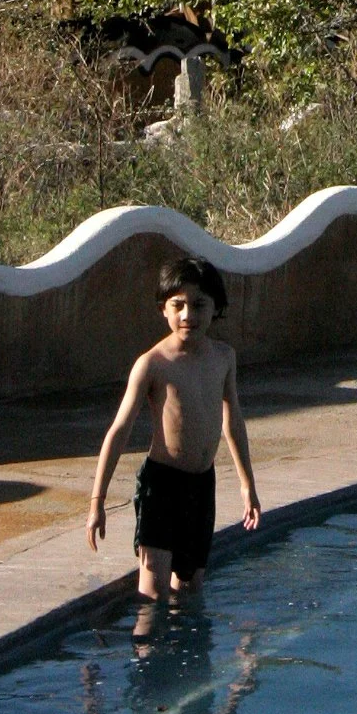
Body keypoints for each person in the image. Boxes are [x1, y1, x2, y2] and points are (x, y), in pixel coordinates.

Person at [87, 255, 261, 598]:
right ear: (163, 309)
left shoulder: (224, 358)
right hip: (162, 484)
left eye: (198, 305)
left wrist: (247, 485)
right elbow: (119, 430)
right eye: (178, 305)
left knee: (191, 587)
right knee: (153, 592)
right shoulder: (153, 364)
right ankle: (148, 649)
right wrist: (97, 501)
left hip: (202, 483)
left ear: (216, 307)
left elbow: (233, 421)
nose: (188, 315)